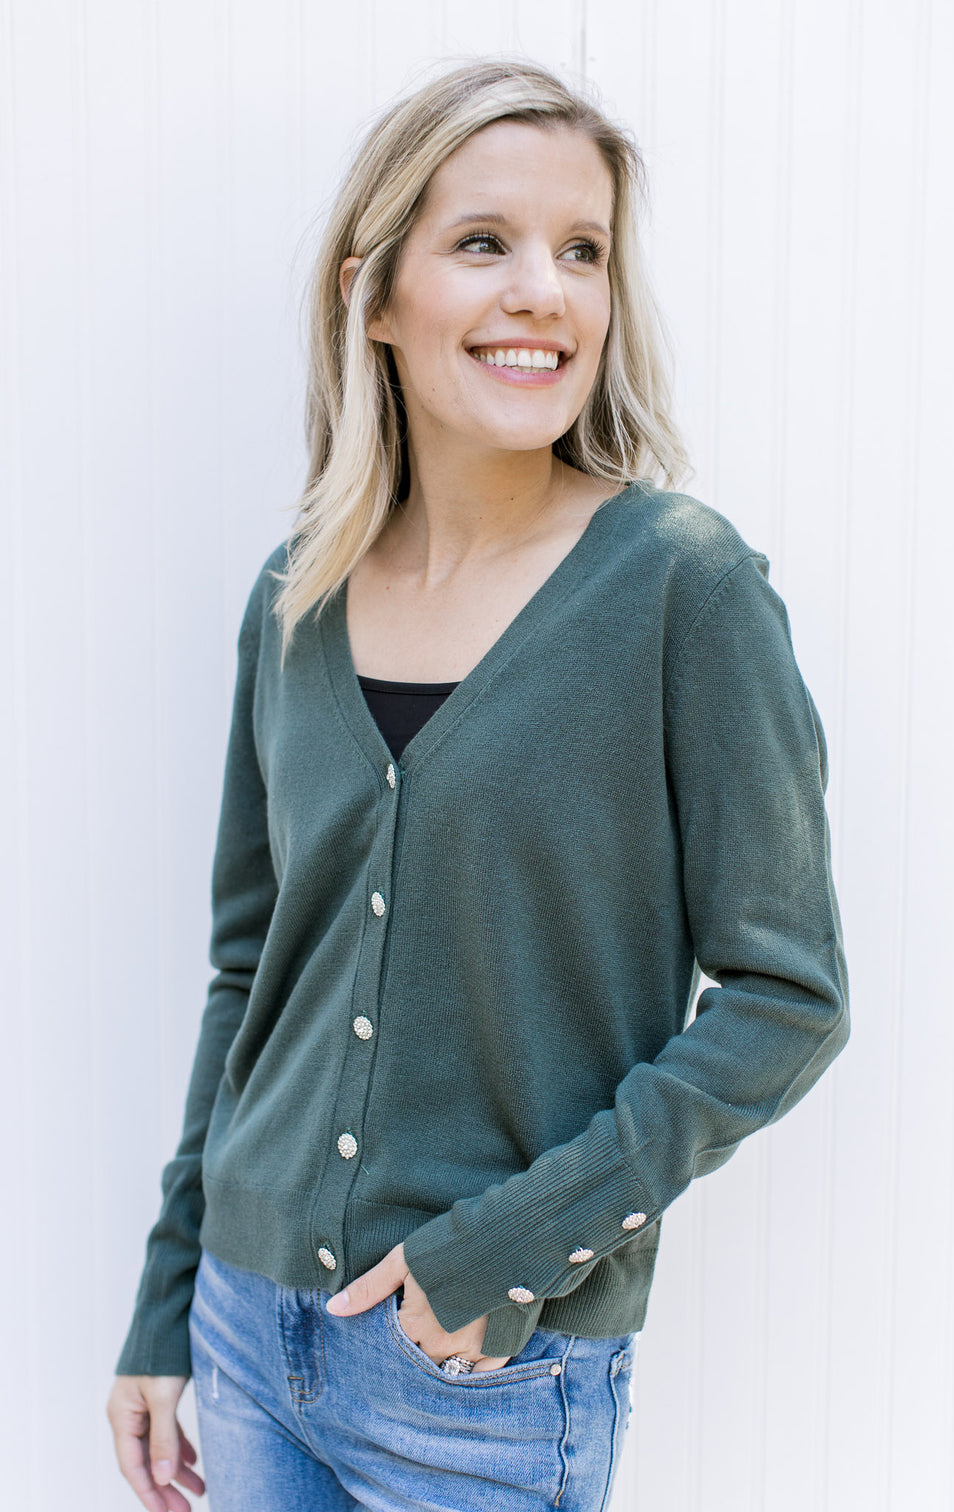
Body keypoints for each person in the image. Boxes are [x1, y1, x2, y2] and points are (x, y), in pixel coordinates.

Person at [106, 57, 849, 1512]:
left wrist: (508, 1251)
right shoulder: (293, 602)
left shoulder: (681, 590)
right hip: (248, 1337)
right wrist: (164, 1300)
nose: (546, 292)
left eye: (583, 252)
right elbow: (248, 975)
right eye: (483, 243)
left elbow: (787, 997)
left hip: (487, 1374)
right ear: (371, 294)